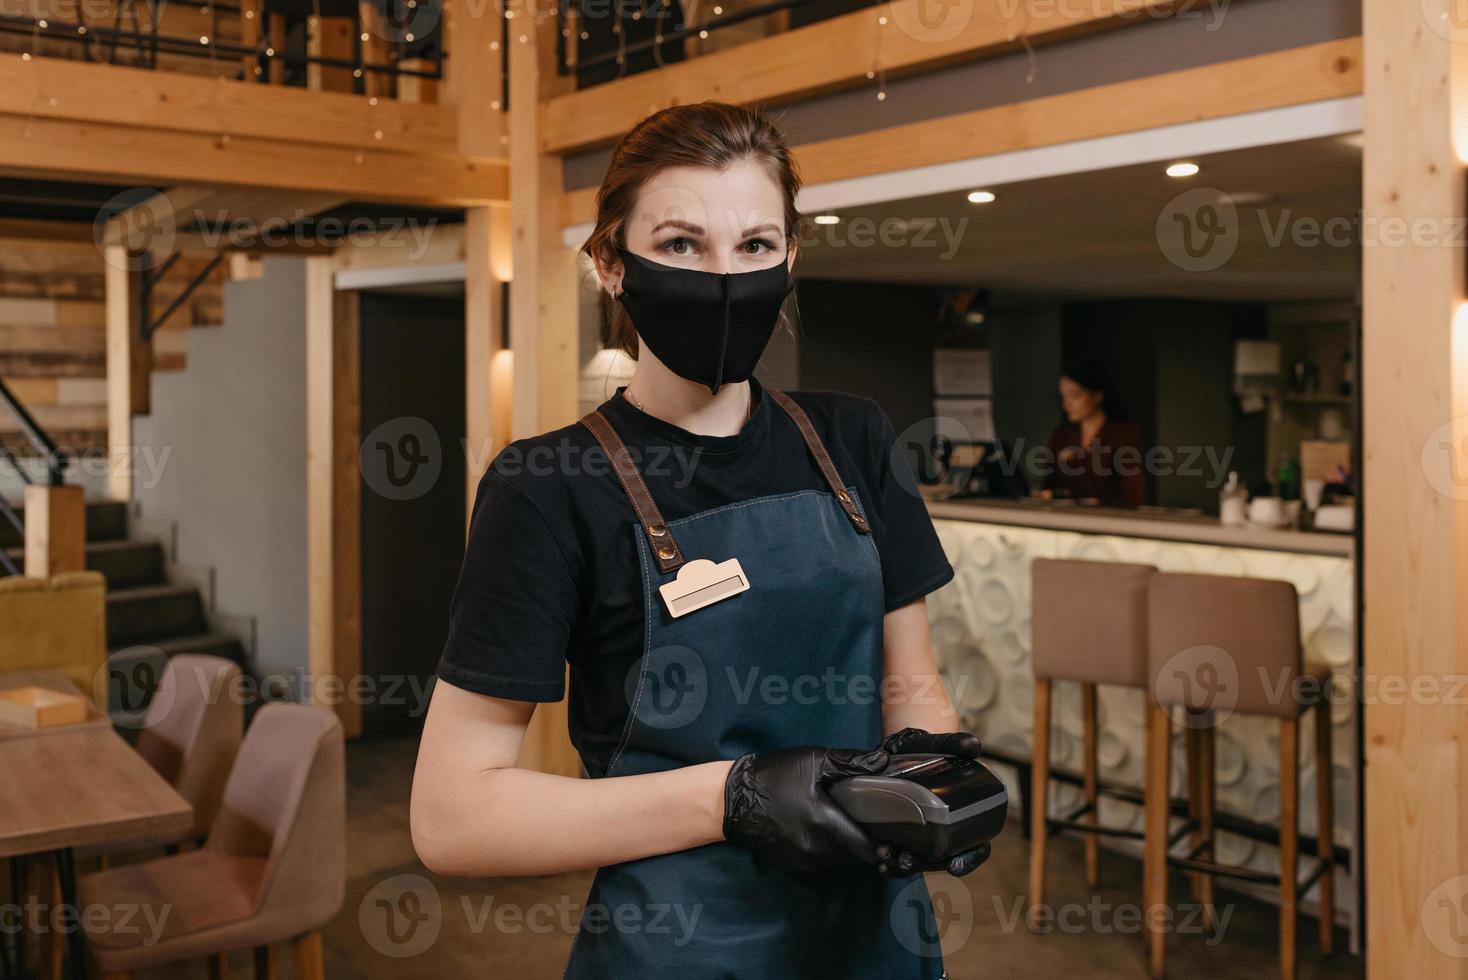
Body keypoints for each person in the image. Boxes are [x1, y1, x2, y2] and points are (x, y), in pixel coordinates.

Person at [410, 102, 983, 979]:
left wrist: (937, 779)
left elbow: (912, 685)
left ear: (791, 257)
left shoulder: (856, 441)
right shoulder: (547, 488)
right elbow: (454, 818)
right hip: (680, 948)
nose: (725, 276)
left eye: (755, 246)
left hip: (875, 938)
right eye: (681, 244)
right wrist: (736, 799)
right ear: (611, 263)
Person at [1041, 359, 1146, 507]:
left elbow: (1132, 495)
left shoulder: (1122, 435)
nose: (1067, 404)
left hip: (1109, 522)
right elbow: (1049, 488)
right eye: (1064, 397)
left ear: (1097, 395)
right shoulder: (1062, 437)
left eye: (1075, 395)